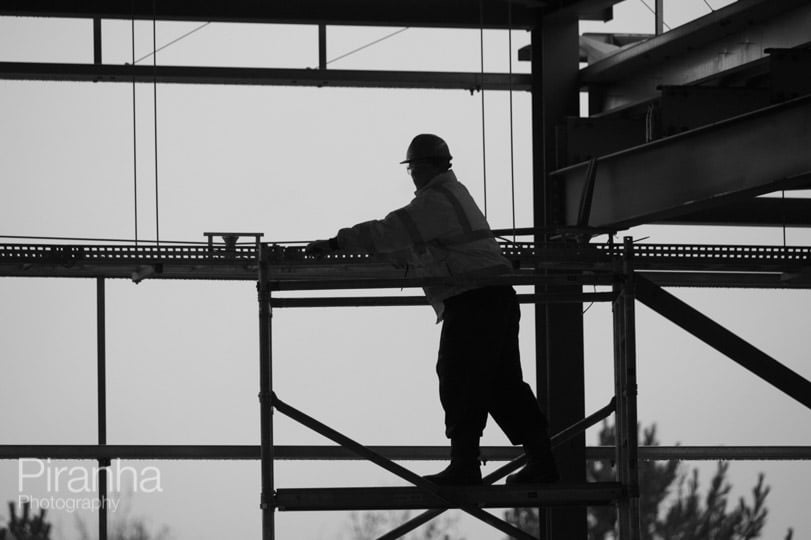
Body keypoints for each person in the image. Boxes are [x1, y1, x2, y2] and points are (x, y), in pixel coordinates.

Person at [306, 134, 558, 485]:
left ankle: (465, 465)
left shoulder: (434, 202)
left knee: (458, 376)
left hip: (473, 301)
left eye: (411, 169)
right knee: (503, 385)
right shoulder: (454, 195)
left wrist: (337, 242)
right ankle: (541, 460)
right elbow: (424, 245)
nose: (411, 176)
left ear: (422, 167)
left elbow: (390, 231)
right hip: (495, 298)